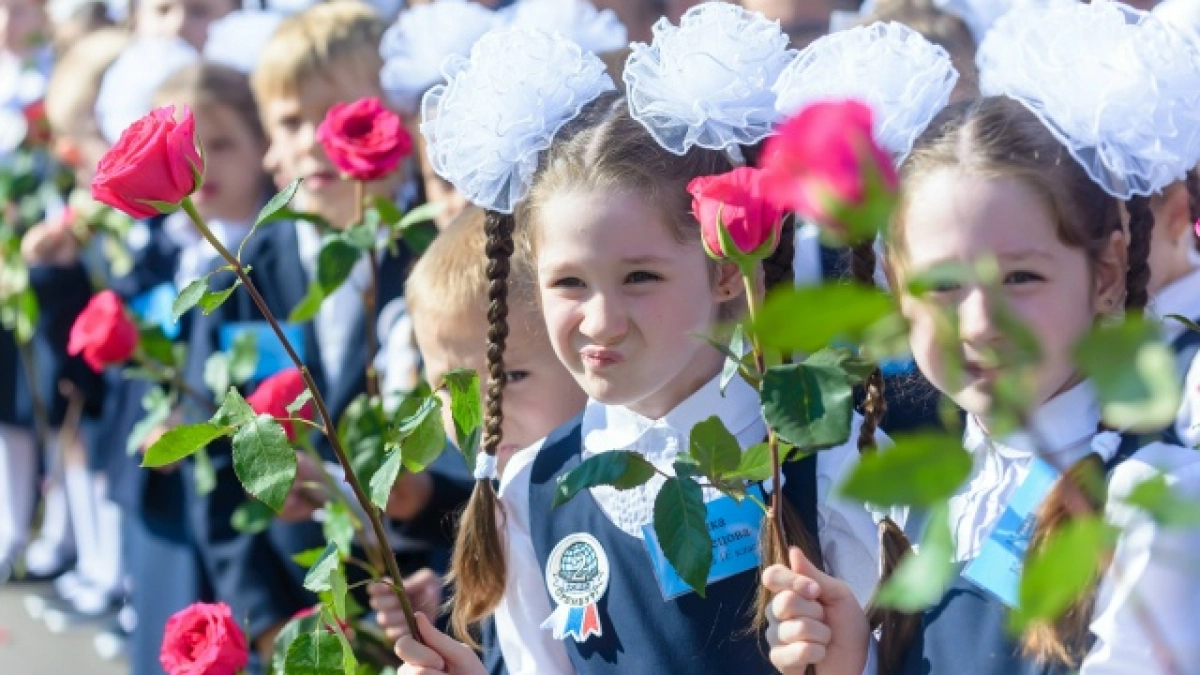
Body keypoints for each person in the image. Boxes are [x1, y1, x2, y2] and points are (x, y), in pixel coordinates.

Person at [394, 8, 883, 674]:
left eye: (639, 276)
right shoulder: (534, 485)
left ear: (720, 273)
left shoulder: (823, 459)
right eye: (570, 281)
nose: (602, 320)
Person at [763, 3, 1200, 673]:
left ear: (1106, 273)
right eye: (941, 286)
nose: (979, 323)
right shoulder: (933, 495)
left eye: (1021, 276)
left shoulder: (1154, 500)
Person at [180, 3, 420, 667]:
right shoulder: (239, 278)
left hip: (413, 606)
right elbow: (217, 468)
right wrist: (261, 624)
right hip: (290, 613)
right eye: (292, 121)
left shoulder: (428, 264)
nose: (314, 141)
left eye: (338, 114)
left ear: (394, 123)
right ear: (270, 143)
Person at [368, 206, 586, 674]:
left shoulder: (608, 505)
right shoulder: (502, 502)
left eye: (513, 375)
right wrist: (451, 609)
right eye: (453, 387)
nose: (486, 415)